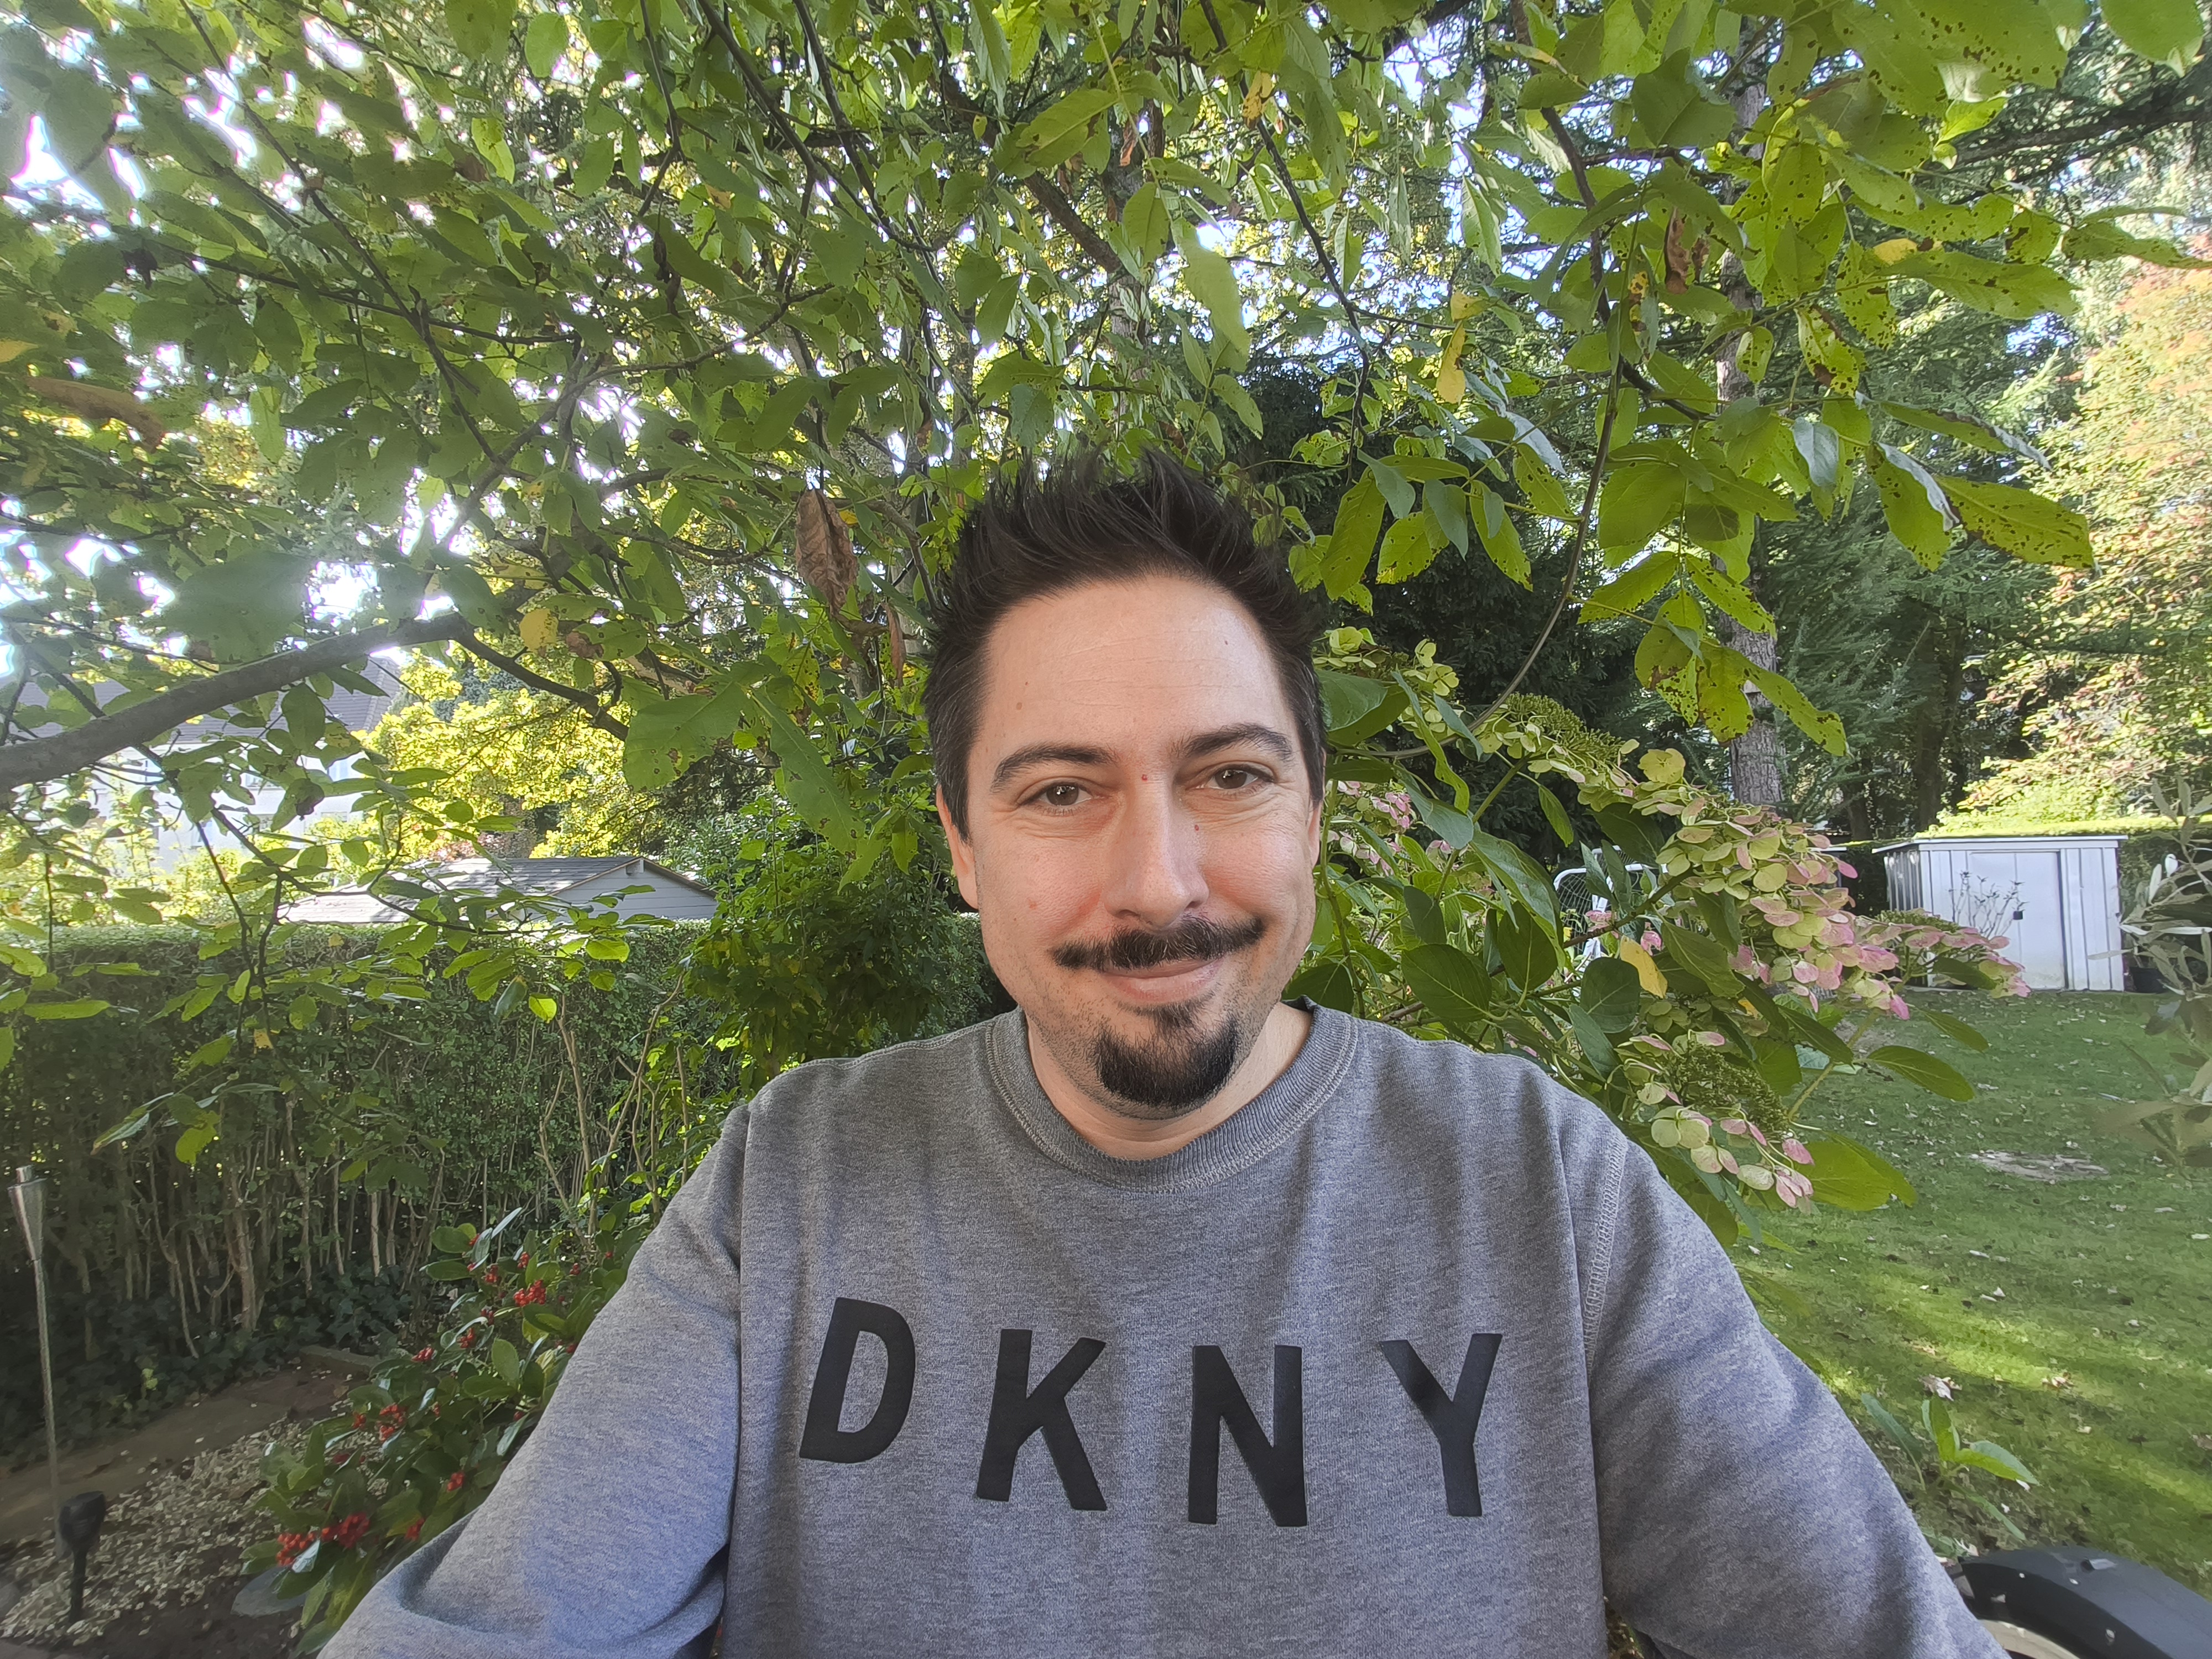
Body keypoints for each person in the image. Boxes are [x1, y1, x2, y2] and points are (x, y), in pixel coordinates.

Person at [330, 456, 2000, 1658]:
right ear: (963, 845)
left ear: (1315, 813)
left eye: (1230, 776)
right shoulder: (800, 1183)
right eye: (1062, 791)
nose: (1160, 884)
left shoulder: (1532, 1188)